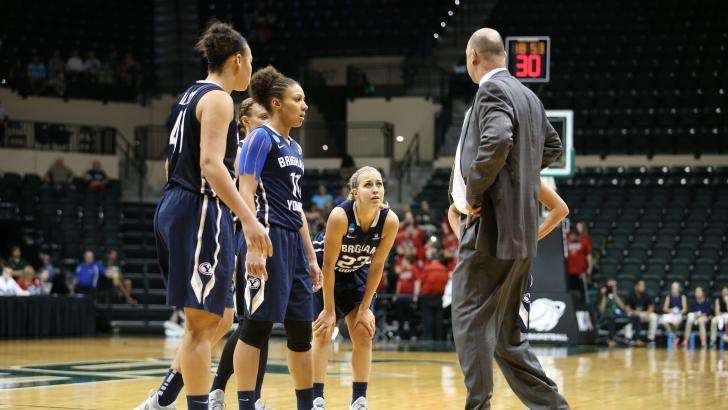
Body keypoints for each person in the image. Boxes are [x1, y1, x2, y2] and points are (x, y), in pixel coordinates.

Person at [136, 21, 269, 410]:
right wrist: (248, 218)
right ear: (238, 60)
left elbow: (169, 164)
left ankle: (165, 396)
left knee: (223, 317)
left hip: (179, 203)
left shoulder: (190, 94)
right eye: (250, 63)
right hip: (198, 207)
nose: (250, 71)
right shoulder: (220, 99)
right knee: (199, 326)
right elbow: (212, 165)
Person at [447, 28, 568, 409]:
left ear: (473, 57)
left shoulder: (492, 91)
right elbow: (553, 146)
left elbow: (497, 140)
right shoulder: (529, 96)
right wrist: (518, 177)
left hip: (491, 228)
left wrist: (479, 191)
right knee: (505, 335)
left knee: (467, 316)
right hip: (522, 234)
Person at [233, 65, 322, 410]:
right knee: (256, 328)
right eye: (297, 99)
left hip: (293, 245)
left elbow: (296, 207)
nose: (304, 106)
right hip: (265, 239)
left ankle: (306, 404)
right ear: (277, 103)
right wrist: (253, 246)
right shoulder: (260, 138)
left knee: (301, 332)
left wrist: (311, 258)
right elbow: (245, 192)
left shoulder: (295, 148)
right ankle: (246, 403)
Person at [310, 166, 399, 409]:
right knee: (323, 331)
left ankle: (359, 399)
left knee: (363, 330)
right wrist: (329, 311)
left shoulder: (389, 220)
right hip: (325, 272)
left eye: (379, 184)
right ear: (354, 192)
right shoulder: (340, 216)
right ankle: (316, 397)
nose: (375, 189)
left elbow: (377, 265)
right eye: (368, 185)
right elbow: (328, 267)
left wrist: (365, 308)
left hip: (356, 273)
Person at [209, 98, 271, 410]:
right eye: (261, 116)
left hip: (267, 235)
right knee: (250, 322)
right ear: (243, 119)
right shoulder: (238, 148)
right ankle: (219, 388)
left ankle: (250, 395)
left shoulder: (273, 145)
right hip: (238, 235)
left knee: (262, 322)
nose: (267, 121)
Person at [415, 246, 450, 341]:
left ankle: (428, 338)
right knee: (438, 318)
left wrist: (416, 297)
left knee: (428, 317)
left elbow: (419, 282)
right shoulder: (444, 269)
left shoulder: (428, 268)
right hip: (439, 297)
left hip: (426, 296)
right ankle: (439, 338)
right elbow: (447, 282)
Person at [597, 279, 630, 347]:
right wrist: (604, 295)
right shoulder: (602, 297)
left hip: (615, 317)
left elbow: (623, 307)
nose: (612, 288)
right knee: (611, 318)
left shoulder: (614, 296)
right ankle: (612, 339)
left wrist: (615, 295)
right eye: (611, 287)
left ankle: (630, 338)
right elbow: (601, 311)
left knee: (630, 317)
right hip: (605, 319)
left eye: (613, 287)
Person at [624, 280, 658, 345]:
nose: (643, 287)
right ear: (636, 286)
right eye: (641, 285)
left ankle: (650, 338)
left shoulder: (646, 294)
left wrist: (648, 314)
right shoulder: (630, 294)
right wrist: (634, 312)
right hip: (633, 313)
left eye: (643, 285)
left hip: (644, 314)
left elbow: (651, 306)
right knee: (628, 316)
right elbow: (627, 308)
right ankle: (628, 338)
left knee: (654, 316)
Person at [660, 281, 688, 347]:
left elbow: (685, 309)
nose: (674, 290)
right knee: (663, 321)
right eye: (673, 288)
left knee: (676, 323)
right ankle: (674, 338)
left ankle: (673, 338)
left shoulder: (682, 297)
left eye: (675, 288)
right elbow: (664, 308)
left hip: (679, 314)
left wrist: (679, 312)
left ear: (678, 289)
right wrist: (671, 310)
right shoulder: (669, 296)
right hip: (671, 314)